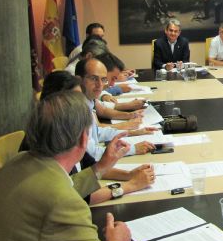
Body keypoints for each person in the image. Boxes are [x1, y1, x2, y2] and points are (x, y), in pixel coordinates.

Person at [0, 91, 141, 241]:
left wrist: (100, 168)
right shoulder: (62, 204)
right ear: (82, 139)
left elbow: (57, 186)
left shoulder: (19, 162)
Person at [39, 71, 155, 204]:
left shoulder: (65, 127)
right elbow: (77, 196)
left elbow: (93, 169)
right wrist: (131, 185)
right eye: (75, 100)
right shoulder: (53, 141)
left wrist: (128, 175)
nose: (82, 105)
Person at [76, 58, 156, 160]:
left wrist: (133, 132)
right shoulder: (77, 111)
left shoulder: (88, 102)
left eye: (103, 79)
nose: (100, 85)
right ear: (79, 80)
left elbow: (97, 133)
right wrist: (132, 149)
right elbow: (91, 154)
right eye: (94, 78)